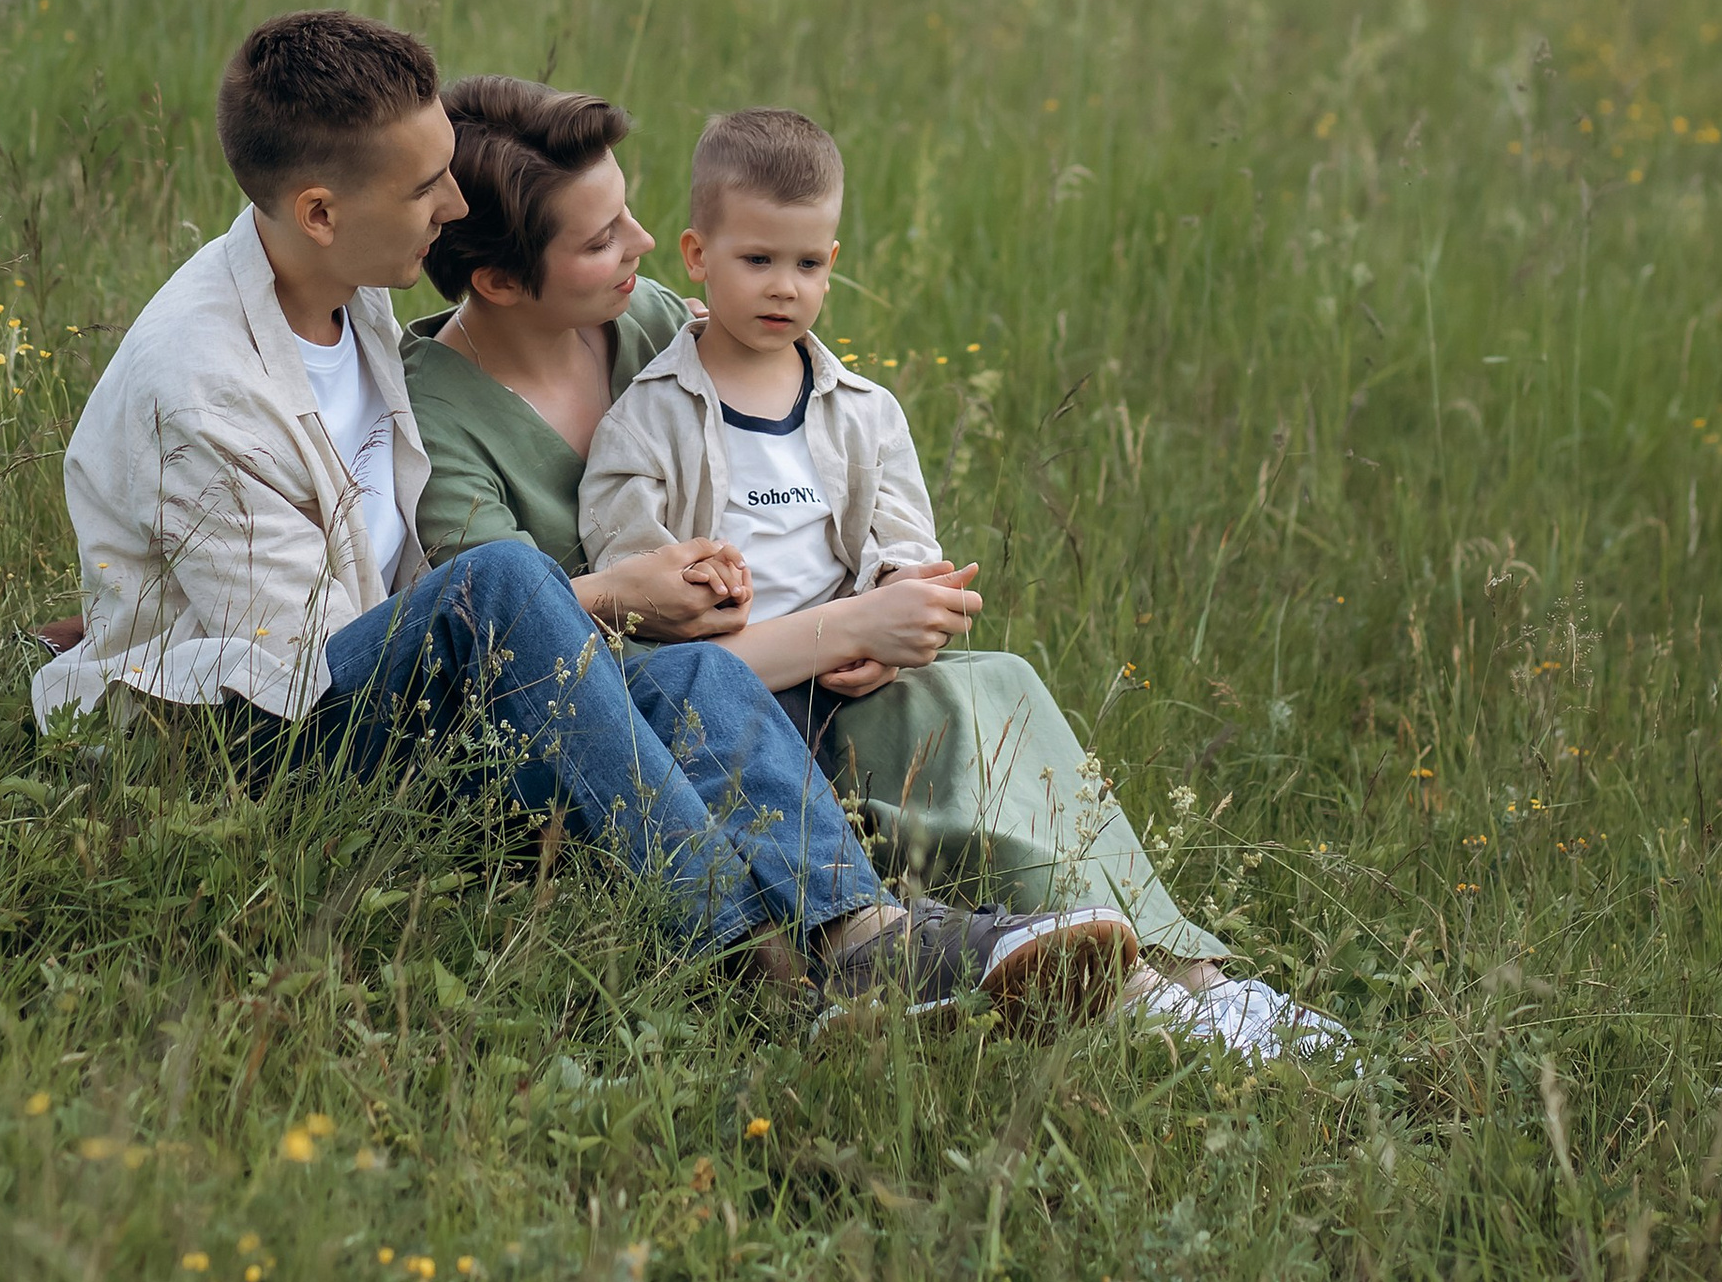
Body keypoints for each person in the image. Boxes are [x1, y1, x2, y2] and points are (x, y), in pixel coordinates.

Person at [31, 12, 1090, 1028]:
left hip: (375, 673)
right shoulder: (203, 391)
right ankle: (759, 974)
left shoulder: (337, 275)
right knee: (508, 583)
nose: (451, 206)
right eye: (424, 187)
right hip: (261, 754)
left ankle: (864, 936)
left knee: (693, 674)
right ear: (319, 208)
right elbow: (294, 682)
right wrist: (601, 594)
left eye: (447, 168)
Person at [413, 78, 1344, 1061]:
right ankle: (967, 954)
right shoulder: (436, 420)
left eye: (632, 215)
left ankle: (1178, 974)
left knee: (987, 690)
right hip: (646, 710)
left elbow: (795, 412)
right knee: (797, 705)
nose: (641, 244)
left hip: (773, 667)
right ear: (504, 283)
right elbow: (519, 644)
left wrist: (887, 591)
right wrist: (841, 628)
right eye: (601, 238)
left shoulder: (640, 312)